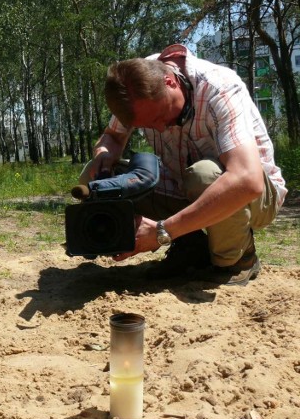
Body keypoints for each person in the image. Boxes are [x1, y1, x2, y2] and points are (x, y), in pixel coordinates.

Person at [79, 44, 287, 286]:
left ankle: (238, 260)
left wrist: (160, 233)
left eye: (160, 117)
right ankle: (191, 246)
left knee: (204, 175)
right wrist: (104, 154)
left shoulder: (220, 88)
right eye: (147, 125)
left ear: (170, 82)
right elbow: (112, 137)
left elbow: (247, 181)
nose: (159, 128)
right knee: (96, 178)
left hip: (256, 197)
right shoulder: (135, 85)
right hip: (184, 186)